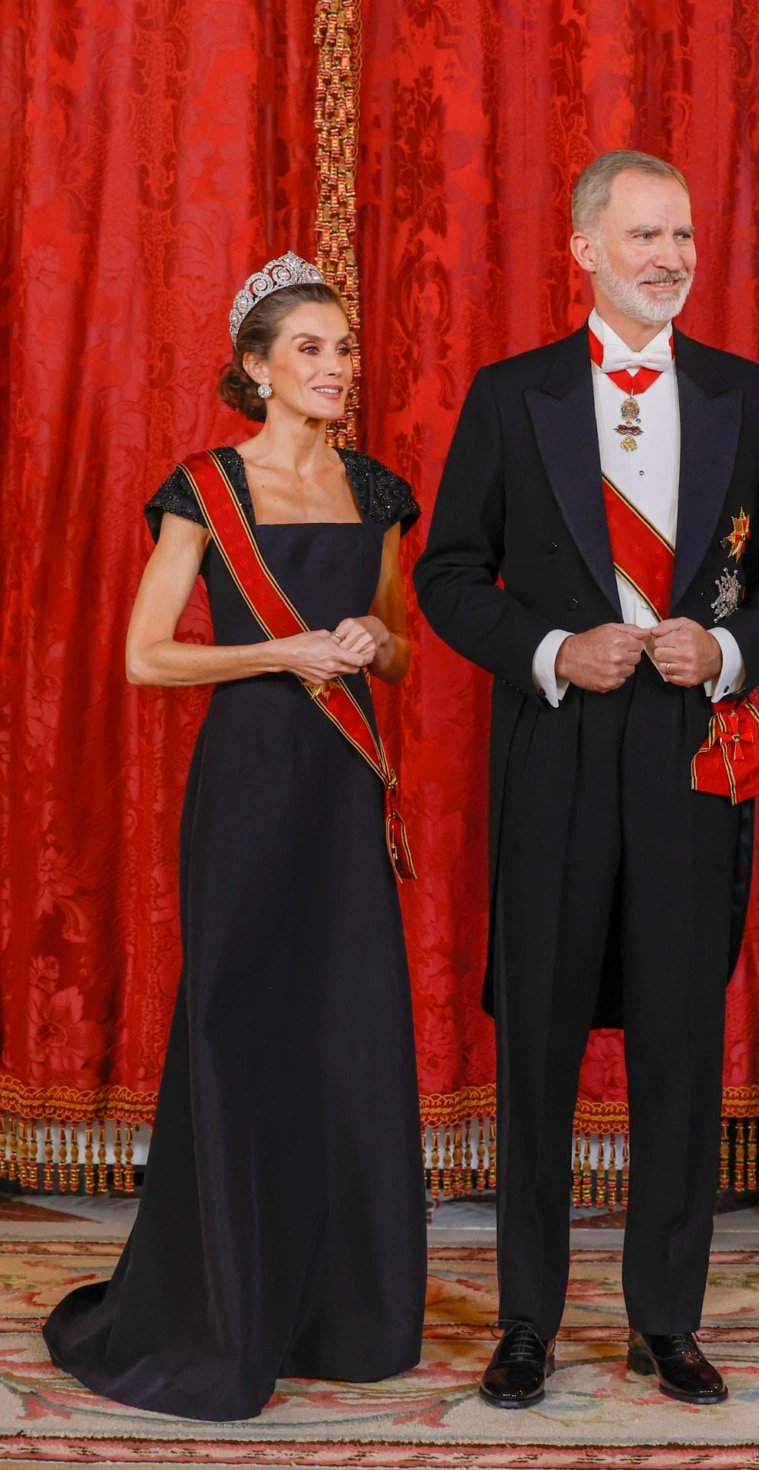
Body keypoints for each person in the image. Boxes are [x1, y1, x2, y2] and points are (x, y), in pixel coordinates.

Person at [414, 152, 759, 1409]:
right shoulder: (511, 394)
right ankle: (526, 1322)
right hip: (555, 750)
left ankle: (665, 1321)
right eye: (644, 235)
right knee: (539, 1042)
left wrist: (730, 649)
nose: (669, 257)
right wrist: (549, 648)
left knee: (679, 1042)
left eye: (682, 236)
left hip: (685, 754)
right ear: (584, 248)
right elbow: (446, 574)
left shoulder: (743, 395)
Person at [43, 253, 427, 1421]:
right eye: (308, 349)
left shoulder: (378, 492)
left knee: (346, 1028)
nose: (334, 367)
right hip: (252, 776)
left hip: (344, 781)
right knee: (242, 1018)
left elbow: (400, 647)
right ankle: (226, 1301)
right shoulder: (204, 489)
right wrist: (279, 652)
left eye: (343, 348)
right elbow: (144, 656)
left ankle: (342, 1312)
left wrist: (368, 640)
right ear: (255, 369)